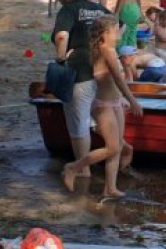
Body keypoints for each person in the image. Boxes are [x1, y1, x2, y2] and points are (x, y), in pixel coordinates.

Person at [62, 15, 143, 200]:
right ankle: (74, 167)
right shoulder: (106, 50)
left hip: (115, 103)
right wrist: (132, 100)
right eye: (115, 31)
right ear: (105, 34)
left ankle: (110, 188)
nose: (119, 34)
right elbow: (117, 78)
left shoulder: (107, 49)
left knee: (117, 147)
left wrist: (122, 99)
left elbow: (115, 82)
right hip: (103, 105)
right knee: (113, 148)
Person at [51, 0, 112, 180]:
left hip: (80, 72)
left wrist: (61, 58)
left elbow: (61, 36)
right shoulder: (96, 8)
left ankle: (82, 170)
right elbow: (117, 25)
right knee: (95, 118)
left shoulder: (68, 10)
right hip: (102, 71)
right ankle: (118, 152)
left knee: (79, 123)